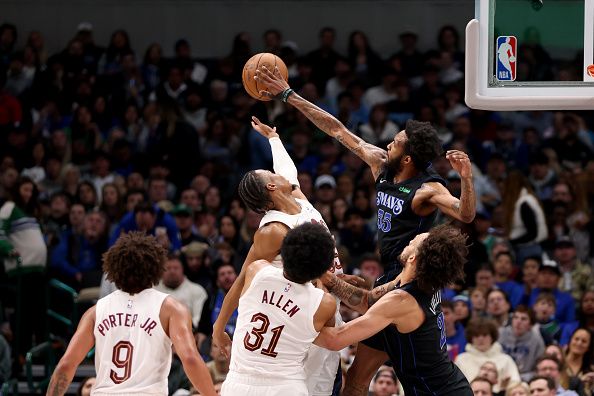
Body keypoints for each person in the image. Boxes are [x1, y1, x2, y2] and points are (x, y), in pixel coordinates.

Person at [256, 59, 476, 396]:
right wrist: (289, 95)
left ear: (407, 158)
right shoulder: (381, 165)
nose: (389, 142)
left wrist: (466, 178)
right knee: (357, 378)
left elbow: (465, 214)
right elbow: (337, 129)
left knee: (412, 361)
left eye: (397, 142)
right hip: (390, 275)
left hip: (413, 278)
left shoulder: (426, 190)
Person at [212, 117, 347, 396]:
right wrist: (219, 325)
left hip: (324, 301)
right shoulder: (273, 229)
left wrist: (273, 138)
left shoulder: (298, 201)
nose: (278, 174)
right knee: (319, 386)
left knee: (334, 379)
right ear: (272, 188)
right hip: (299, 314)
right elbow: (243, 278)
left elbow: (288, 171)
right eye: (270, 173)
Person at [46, 232, 216, 396]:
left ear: (114, 269)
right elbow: (191, 360)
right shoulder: (171, 308)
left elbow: (66, 365)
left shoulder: (95, 311)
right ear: (156, 268)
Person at [315, 225, 473, 395]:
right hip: (448, 385)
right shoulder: (420, 282)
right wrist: (329, 279)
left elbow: (335, 340)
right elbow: (368, 301)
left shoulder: (401, 300)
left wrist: (292, 321)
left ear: (413, 258)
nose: (410, 241)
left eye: (413, 242)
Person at [221, 223, 336, 396]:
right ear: (322, 268)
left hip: (237, 384)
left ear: (284, 252)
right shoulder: (324, 303)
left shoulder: (256, 270)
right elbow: (329, 337)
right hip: (285, 387)